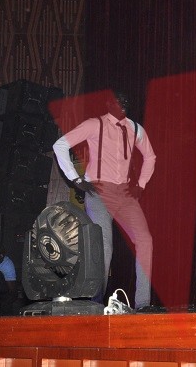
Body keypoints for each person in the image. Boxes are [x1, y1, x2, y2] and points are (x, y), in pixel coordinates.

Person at [53, 90, 156, 309]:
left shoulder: (135, 128)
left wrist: (141, 185)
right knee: (104, 246)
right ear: (109, 104)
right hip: (99, 192)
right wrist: (76, 180)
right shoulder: (94, 124)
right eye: (119, 99)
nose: (124, 102)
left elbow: (150, 157)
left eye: (126, 100)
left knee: (145, 240)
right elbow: (60, 145)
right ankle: (96, 302)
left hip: (124, 193)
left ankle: (143, 303)